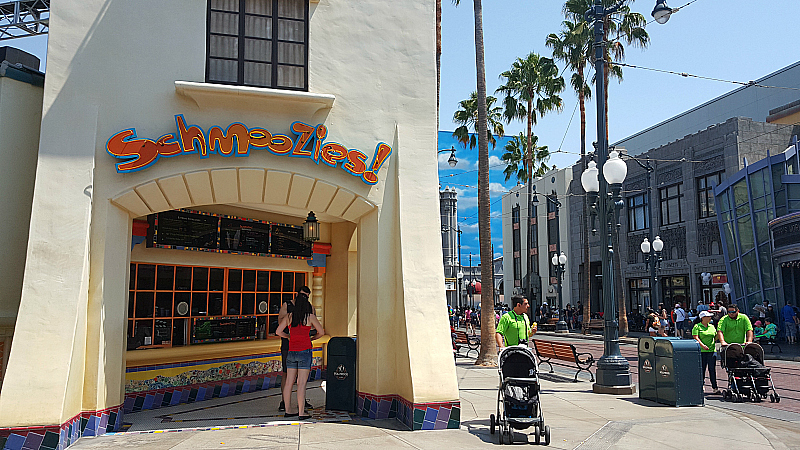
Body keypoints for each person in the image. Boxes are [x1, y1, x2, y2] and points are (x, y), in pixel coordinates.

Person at [276, 291, 324, 420]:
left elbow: (278, 331)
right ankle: (301, 412)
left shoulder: (289, 317)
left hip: (291, 352)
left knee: (289, 383)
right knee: (301, 383)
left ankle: (288, 410)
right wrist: (312, 339)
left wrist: (288, 337)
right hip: (305, 351)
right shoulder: (310, 317)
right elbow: (321, 332)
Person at [278, 286, 313, 412]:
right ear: (297, 294)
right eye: (303, 295)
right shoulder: (287, 305)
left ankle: (301, 402)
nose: (304, 298)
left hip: (303, 344)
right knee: (287, 374)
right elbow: (280, 323)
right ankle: (284, 401)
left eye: (307, 296)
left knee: (302, 377)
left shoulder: (309, 307)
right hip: (289, 344)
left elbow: (312, 323)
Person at [692, 311, 719, 394]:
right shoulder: (697, 326)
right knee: (702, 369)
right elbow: (695, 337)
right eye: (708, 316)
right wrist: (702, 345)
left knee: (712, 369)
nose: (710, 318)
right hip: (701, 351)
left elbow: (715, 337)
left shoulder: (712, 326)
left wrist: (719, 334)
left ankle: (715, 387)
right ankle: (701, 385)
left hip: (711, 350)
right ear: (702, 318)